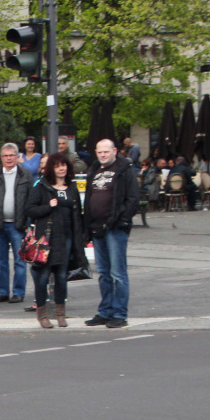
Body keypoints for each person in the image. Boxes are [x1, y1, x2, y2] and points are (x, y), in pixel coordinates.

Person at [83, 138, 140, 329]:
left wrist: (121, 219)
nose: (103, 155)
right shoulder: (94, 170)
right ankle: (105, 311)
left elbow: (132, 198)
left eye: (106, 151)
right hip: (97, 228)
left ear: (115, 151)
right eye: (99, 152)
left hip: (115, 228)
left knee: (118, 274)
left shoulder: (124, 169)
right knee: (104, 273)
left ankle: (119, 313)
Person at [25, 152, 86, 328]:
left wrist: (80, 237)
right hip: (47, 239)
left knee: (61, 276)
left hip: (66, 238)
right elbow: (30, 209)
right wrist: (47, 207)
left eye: (64, 165)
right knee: (43, 277)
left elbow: (77, 214)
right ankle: (42, 314)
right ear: (51, 168)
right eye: (58, 165)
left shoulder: (72, 187)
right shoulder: (42, 187)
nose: (61, 168)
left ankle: (60, 313)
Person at [0, 142, 33, 304]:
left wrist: (29, 223)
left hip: (18, 224)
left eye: (12, 155)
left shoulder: (26, 175)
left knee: (20, 260)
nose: (9, 158)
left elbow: (32, 200)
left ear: (18, 157)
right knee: (1, 260)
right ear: (1, 158)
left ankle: (18, 292)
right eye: (5, 156)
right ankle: (2, 292)